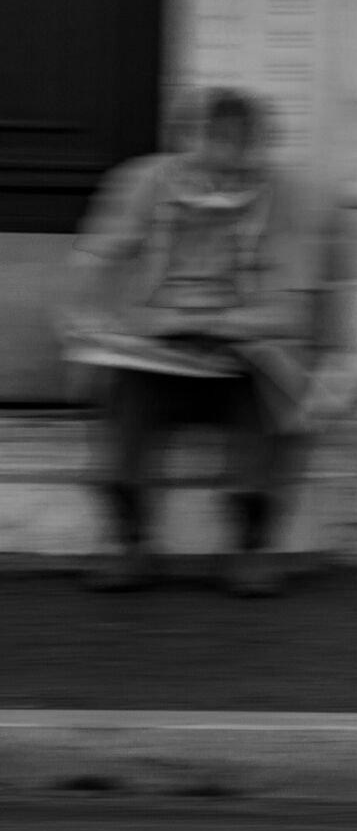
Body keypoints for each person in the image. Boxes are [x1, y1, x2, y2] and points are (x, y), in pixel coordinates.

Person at [56, 88, 324, 597]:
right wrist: (85, 320)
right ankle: (130, 542)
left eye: (239, 152)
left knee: (277, 396)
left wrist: (221, 325)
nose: (223, 170)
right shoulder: (144, 182)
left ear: (257, 147)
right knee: (123, 401)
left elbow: (293, 309)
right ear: (186, 142)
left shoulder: (285, 196)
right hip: (154, 353)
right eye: (211, 149)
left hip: (241, 357)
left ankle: (251, 547)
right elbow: (94, 257)